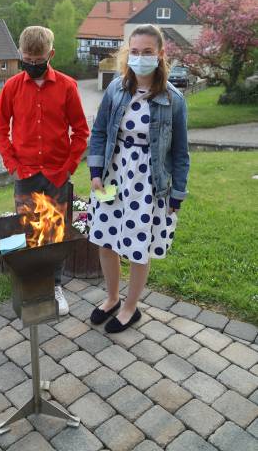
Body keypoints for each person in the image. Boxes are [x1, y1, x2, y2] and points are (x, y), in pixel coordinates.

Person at [87, 24, 189, 333]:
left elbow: (181, 153)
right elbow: (100, 132)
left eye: (147, 52)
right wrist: (95, 174)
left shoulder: (173, 100)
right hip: (114, 174)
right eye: (134, 52)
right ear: (127, 53)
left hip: (148, 182)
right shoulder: (116, 89)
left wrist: (177, 195)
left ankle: (130, 308)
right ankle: (113, 298)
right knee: (106, 242)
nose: (140, 57)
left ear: (160, 55)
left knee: (136, 247)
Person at [0, 26, 90, 315]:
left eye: (39, 60)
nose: (33, 65)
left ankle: (55, 286)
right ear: (21, 55)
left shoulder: (67, 86)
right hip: (25, 174)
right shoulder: (11, 88)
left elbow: (81, 132)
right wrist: (13, 165)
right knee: (30, 231)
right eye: (27, 60)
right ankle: (33, 284)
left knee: (55, 233)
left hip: (57, 175)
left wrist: (67, 168)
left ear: (51, 54)